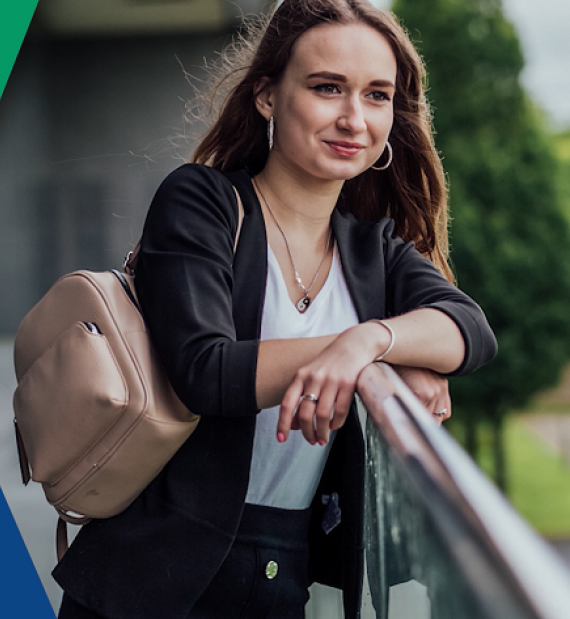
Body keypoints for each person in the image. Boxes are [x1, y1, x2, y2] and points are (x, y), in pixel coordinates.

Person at [52, 1, 497, 618]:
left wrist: (371, 344)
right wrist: (356, 353)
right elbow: (207, 372)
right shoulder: (201, 202)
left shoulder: (372, 250)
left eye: (376, 96)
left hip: (282, 572)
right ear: (267, 96)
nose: (353, 117)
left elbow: (469, 329)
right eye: (326, 88)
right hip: (153, 573)